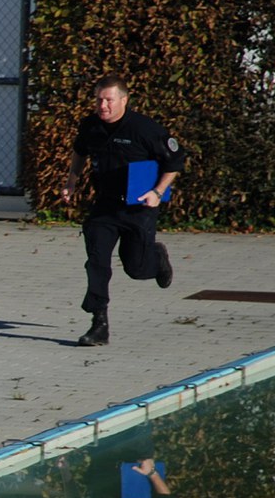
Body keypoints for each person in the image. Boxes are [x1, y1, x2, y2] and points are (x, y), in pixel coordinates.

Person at [60, 76, 186, 346]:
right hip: (105, 205)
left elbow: (174, 161)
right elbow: (79, 151)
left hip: (138, 207)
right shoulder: (90, 126)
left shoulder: (144, 129)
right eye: (99, 99)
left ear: (124, 101)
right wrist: (72, 181)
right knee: (97, 261)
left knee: (136, 268)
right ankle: (99, 324)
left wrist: (158, 191)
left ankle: (157, 257)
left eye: (109, 100)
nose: (103, 105)